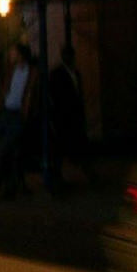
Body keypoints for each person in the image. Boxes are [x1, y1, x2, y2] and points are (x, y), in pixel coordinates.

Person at [0, 42, 35, 199]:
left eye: (13, 52)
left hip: (18, 114)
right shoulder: (11, 70)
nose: (11, 55)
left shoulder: (32, 72)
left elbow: (31, 93)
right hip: (6, 112)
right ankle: (15, 184)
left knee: (5, 150)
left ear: (21, 55)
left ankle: (1, 184)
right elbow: (5, 90)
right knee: (11, 151)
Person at [47, 43, 90, 188]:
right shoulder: (62, 74)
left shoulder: (71, 73)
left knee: (67, 145)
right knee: (63, 146)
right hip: (64, 114)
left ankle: (62, 174)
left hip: (70, 114)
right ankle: (61, 174)